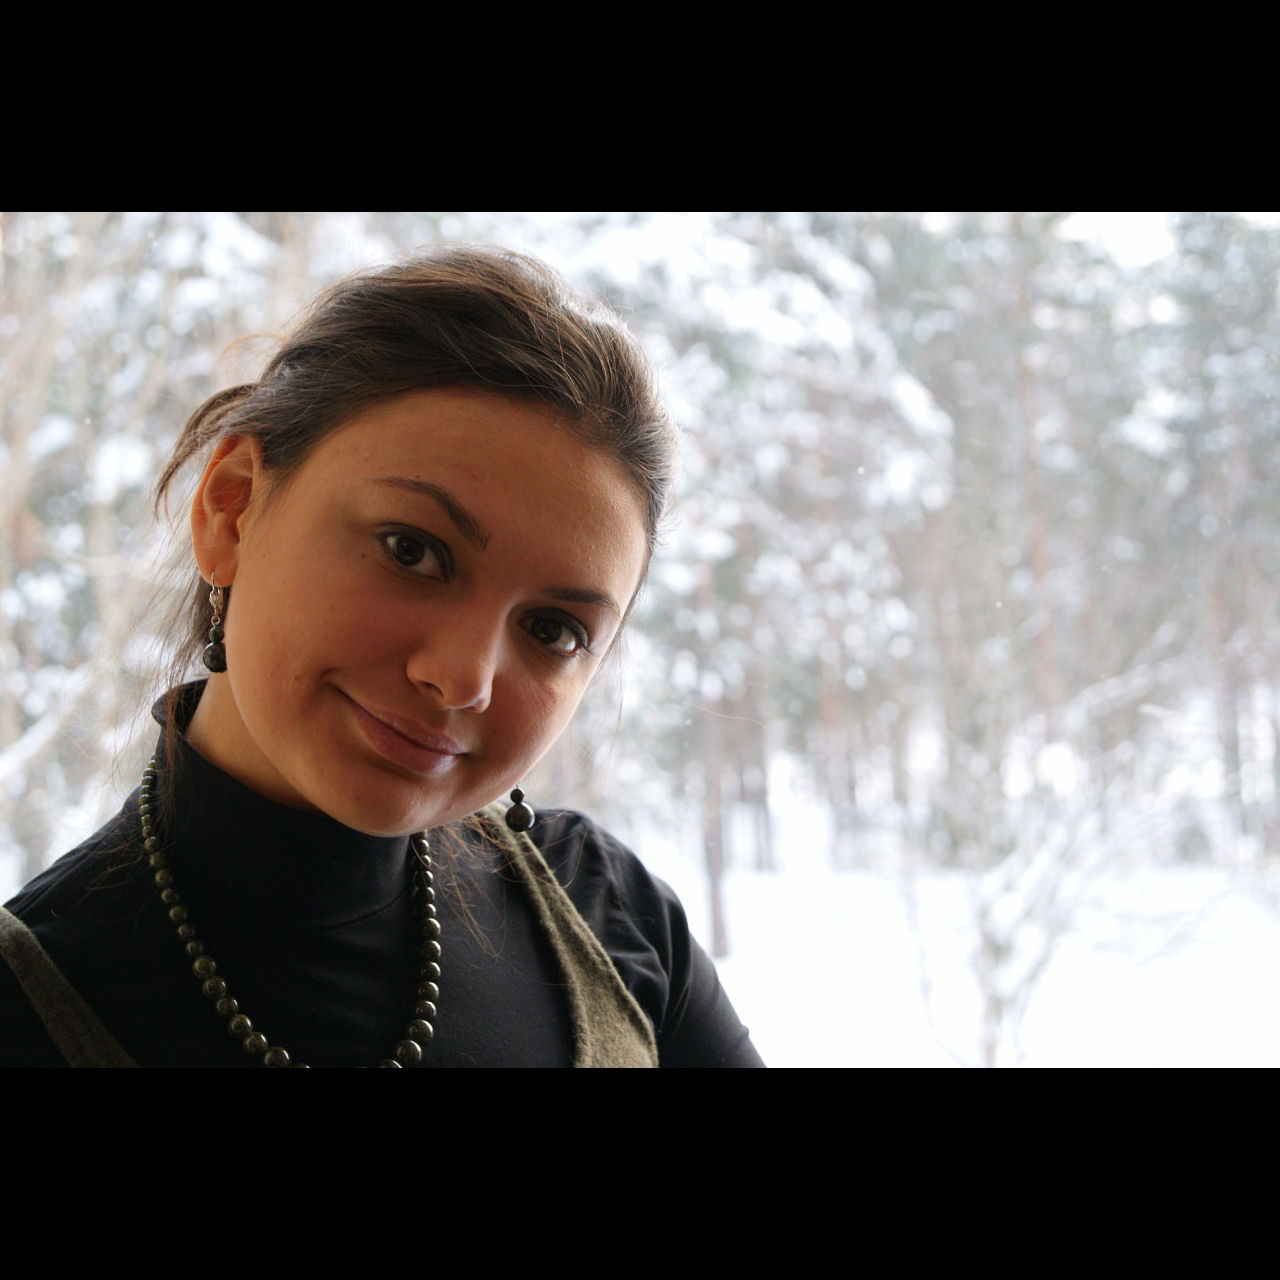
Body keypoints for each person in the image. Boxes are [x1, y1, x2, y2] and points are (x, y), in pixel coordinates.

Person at [0, 247, 764, 1068]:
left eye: (552, 630)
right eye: (411, 550)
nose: (461, 679)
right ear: (231, 508)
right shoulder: (29, 1006)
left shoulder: (614, 919)